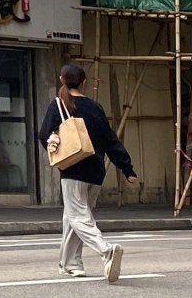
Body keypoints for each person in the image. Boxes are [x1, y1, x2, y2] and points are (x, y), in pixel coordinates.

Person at [36, 63, 138, 282]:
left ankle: (106, 251)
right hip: (96, 172)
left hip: (73, 169)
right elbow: (110, 140)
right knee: (74, 217)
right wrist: (127, 168)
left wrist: (53, 146)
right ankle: (72, 264)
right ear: (84, 83)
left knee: (78, 217)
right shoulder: (95, 107)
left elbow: (43, 134)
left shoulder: (58, 104)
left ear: (62, 80)